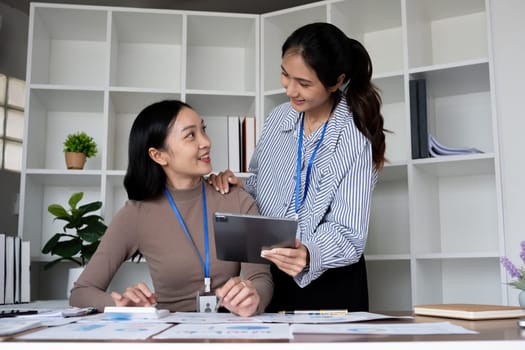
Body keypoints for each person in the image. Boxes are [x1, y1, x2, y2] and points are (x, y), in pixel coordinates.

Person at [208, 22, 386, 312]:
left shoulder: (355, 139)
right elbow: (261, 182)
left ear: (336, 82)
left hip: (327, 278)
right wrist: (239, 186)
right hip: (270, 272)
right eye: (285, 75)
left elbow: (349, 232)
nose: (291, 90)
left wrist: (308, 253)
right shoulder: (279, 117)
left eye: (303, 83)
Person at [70, 100, 273, 317]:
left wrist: (253, 297)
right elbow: (81, 292)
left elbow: (260, 279)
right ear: (159, 155)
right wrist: (120, 304)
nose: (206, 142)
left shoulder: (236, 199)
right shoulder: (136, 213)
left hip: (229, 333)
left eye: (203, 130)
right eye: (190, 135)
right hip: (166, 333)